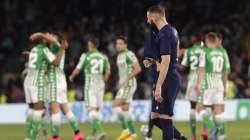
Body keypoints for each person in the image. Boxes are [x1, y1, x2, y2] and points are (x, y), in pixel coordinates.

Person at [145, 5, 187, 140]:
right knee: (155, 117)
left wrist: (158, 86)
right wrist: (153, 62)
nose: (148, 21)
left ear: (155, 16)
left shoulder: (165, 33)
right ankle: (181, 138)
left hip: (167, 78)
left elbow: (167, 61)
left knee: (165, 118)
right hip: (167, 75)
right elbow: (169, 58)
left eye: (148, 17)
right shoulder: (172, 31)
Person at [23, 32, 66, 140]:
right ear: (44, 40)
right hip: (37, 82)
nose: (49, 37)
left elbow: (42, 63)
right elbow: (56, 62)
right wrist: (62, 49)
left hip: (28, 81)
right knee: (39, 110)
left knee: (33, 109)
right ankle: (32, 137)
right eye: (48, 36)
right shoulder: (45, 50)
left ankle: (30, 134)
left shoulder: (34, 49)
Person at [69, 36, 111, 140]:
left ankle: (100, 131)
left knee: (90, 109)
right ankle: (94, 134)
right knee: (96, 110)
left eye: (88, 43)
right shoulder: (103, 56)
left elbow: (78, 69)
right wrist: (103, 81)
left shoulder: (86, 55)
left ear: (91, 44)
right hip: (100, 84)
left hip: (90, 84)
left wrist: (72, 76)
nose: (87, 45)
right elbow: (108, 72)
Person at [45, 33, 84, 140]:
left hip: (55, 82)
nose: (49, 37)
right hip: (61, 81)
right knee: (65, 108)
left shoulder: (56, 47)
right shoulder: (56, 49)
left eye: (51, 36)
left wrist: (40, 35)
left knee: (54, 109)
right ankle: (78, 133)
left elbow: (53, 63)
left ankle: (55, 137)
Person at [195, 32, 230, 140]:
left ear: (207, 41)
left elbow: (201, 70)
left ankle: (212, 127)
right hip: (219, 84)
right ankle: (222, 134)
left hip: (208, 84)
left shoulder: (205, 52)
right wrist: (225, 87)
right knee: (218, 112)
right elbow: (225, 72)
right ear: (216, 41)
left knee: (199, 108)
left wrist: (198, 84)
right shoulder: (222, 53)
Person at [112, 35, 141, 140]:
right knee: (125, 110)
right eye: (117, 43)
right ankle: (133, 135)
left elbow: (138, 69)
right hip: (124, 85)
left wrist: (126, 80)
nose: (118, 46)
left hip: (129, 84)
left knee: (115, 105)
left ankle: (125, 130)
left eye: (120, 44)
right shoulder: (119, 56)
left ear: (125, 45)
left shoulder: (129, 54)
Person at [180, 33, 204, 140]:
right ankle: (205, 129)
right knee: (206, 106)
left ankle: (194, 136)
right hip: (205, 79)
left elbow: (183, 67)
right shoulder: (206, 50)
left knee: (193, 107)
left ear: (193, 40)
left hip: (192, 79)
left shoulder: (189, 51)